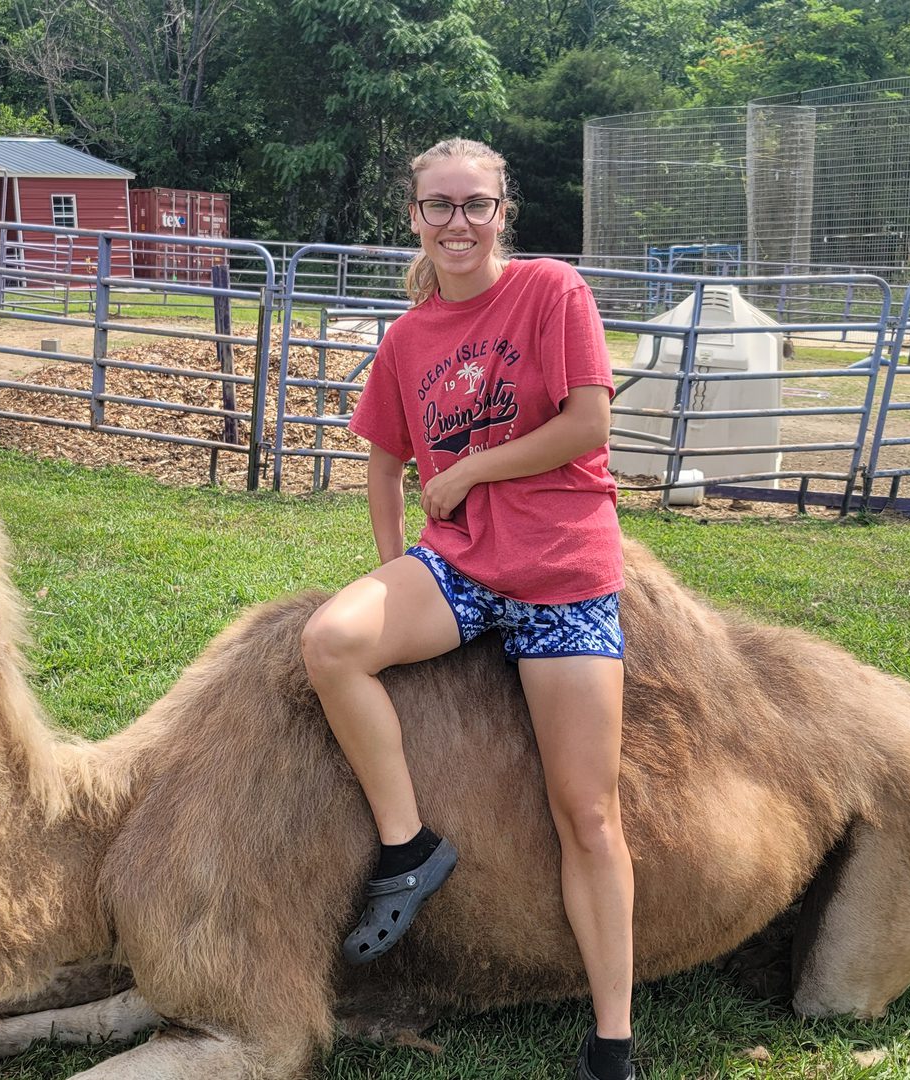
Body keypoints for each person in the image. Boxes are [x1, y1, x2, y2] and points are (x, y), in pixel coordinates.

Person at [300, 138, 636, 1080]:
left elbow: (587, 423)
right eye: (439, 206)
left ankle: (612, 1040)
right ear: (413, 216)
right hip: (457, 568)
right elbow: (382, 459)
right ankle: (409, 847)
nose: (458, 222)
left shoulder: (551, 293)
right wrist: (389, 567)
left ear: (502, 213)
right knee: (331, 641)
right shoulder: (407, 338)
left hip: (564, 570)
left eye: (475, 205)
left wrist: (474, 468)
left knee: (589, 812)